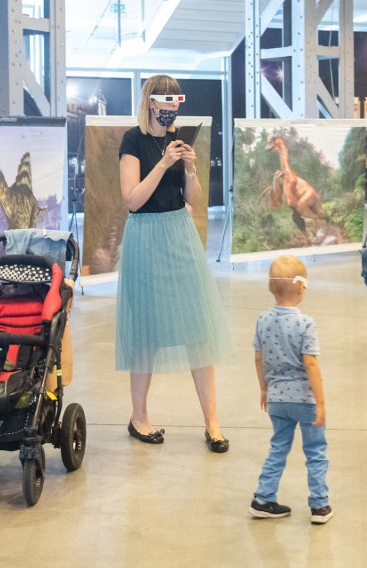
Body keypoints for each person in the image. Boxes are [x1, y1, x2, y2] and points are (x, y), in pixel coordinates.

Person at [116, 74, 232, 452]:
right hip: (145, 235)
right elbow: (132, 199)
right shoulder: (133, 140)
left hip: (179, 232)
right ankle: (139, 417)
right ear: (151, 102)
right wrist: (164, 164)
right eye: (166, 102)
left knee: (198, 328)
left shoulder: (179, 138)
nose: (172, 109)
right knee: (144, 332)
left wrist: (191, 168)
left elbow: (192, 199)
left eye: (176, 102)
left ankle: (212, 422)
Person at [249, 255, 332, 524]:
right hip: (305, 400)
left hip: (276, 399)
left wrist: (264, 389)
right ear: (301, 287)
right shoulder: (305, 324)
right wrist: (320, 402)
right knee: (315, 451)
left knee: (278, 447)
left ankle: (263, 499)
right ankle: (320, 506)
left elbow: (258, 358)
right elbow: (311, 364)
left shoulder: (263, 320)